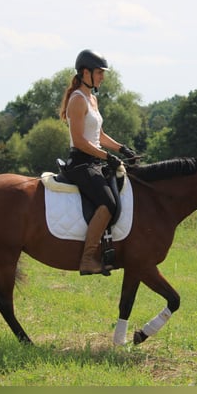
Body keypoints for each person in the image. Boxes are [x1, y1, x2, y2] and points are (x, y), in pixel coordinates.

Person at [59, 49, 137, 275]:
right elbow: (81, 141)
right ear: (85, 73)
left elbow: (99, 135)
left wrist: (121, 148)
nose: (102, 77)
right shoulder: (77, 99)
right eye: (99, 73)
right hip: (81, 163)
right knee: (109, 203)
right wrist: (108, 157)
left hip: (95, 161)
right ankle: (87, 258)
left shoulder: (92, 99)